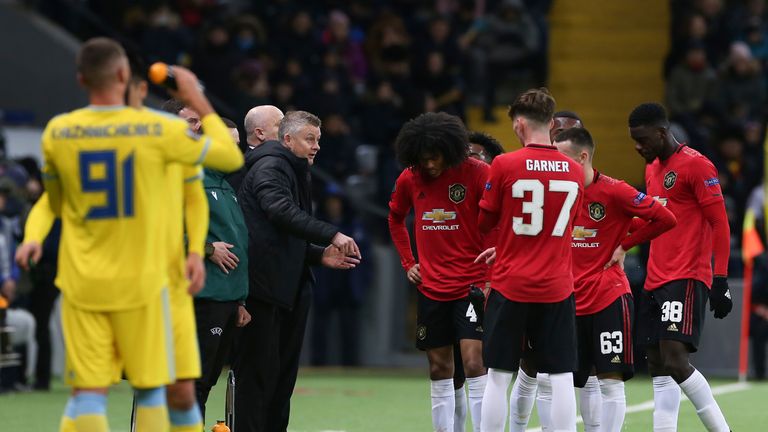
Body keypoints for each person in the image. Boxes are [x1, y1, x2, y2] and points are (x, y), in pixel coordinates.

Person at [15, 37, 243, 432]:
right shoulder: (159, 131)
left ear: (80, 78)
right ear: (124, 76)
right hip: (149, 282)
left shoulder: (59, 132)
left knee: (87, 394)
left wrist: (32, 238)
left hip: (86, 282)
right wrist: (196, 97)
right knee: (167, 390)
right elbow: (230, 157)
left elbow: (50, 202)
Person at [234, 110, 361, 432]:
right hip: (265, 290)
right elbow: (278, 211)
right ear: (286, 139)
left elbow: (279, 238)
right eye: (309, 139)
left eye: (318, 140)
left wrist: (319, 257)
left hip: (283, 286)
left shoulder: (291, 167)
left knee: (277, 378)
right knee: (260, 378)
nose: (316, 146)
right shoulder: (272, 164)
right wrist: (331, 234)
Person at [553, 127, 676, 431]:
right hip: (567, 299)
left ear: (582, 157)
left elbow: (665, 217)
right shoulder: (556, 193)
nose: (557, 166)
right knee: (571, 381)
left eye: (562, 159)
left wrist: (625, 245)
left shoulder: (614, 190)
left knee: (610, 381)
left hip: (608, 297)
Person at [477, 87, 582, 432]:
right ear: (552, 124)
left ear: (519, 124)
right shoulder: (572, 169)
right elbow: (567, 224)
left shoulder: (504, 164)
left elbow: (486, 222)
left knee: (498, 374)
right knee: (562, 374)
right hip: (556, 285)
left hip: (511, 283)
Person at [628, 102, 732, 432]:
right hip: (655, 278)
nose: (637, 146)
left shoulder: (697, 166)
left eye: (642, 139)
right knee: (658, 364)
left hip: (686, 275)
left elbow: (720, 223)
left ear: (661, 133)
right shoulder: (651, 169)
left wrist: (721, 278)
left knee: (675, 358)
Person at [388, 112, 489, 432]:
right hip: (432, 288)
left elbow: (499, 218)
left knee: (474, 364)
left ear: (450, 149)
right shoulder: (409, 177)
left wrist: (491, 274)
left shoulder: (476, 172)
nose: (429, 165)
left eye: (434, 158)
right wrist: (408, 262)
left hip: (472, 286)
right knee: (439, 368)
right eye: (422, 160)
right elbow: (395, 219)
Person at [194, 117, 252, 420]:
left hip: (228, 298)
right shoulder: (189, 181)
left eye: (237, 144)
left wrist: (240, 299)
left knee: (206, 383)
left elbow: (237, 241)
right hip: (205, 296)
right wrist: (206, 249)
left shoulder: (225, 186)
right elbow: (163, 231)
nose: (235, 151)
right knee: (195, 383)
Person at [226, 105, 285, 191]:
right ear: (260, 133)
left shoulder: (283, 161)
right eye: (280, 125)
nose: (286, 131)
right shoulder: (238, 171)